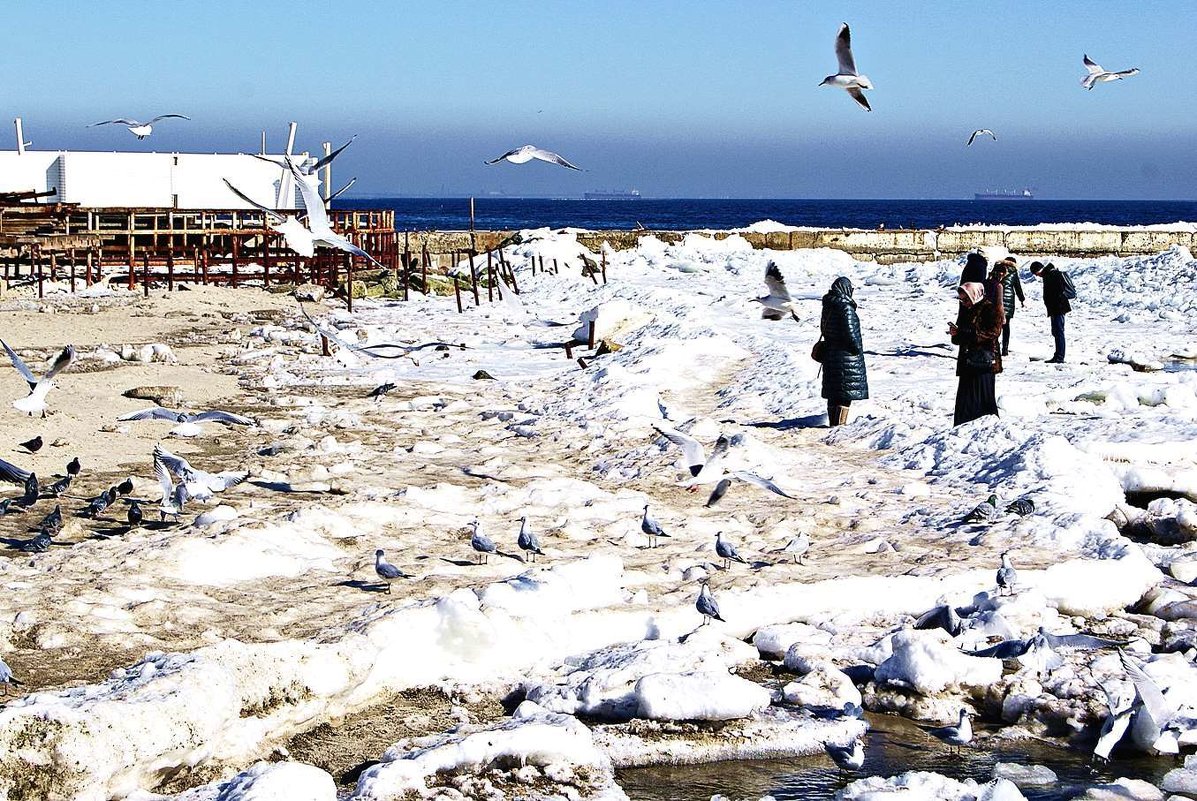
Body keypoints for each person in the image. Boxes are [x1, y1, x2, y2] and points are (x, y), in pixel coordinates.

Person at [949, 282, 1004, 426]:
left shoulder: (989, 308)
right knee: (965, 401)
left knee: (983, 400)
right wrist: (956, 334)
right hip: (967, 362)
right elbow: (960, 337)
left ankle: (987, 430)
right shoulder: (966, 310)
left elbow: (993, 332)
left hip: (983, 362)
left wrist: (966, 333)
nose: (964, 303)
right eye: (961, 300)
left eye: (966, 299)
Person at [819, 276, 868, 426]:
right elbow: (851, 334)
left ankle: (833, 423)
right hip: (847, 357)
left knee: (834, 392)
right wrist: (857, 349)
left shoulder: (828, 306)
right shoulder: (845, 307)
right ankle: (839, 426)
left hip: (831, 354)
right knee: (845, 394)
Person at [1029, 261, 1072, 363]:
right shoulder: (1049, 274)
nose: (1037, 276)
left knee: (1059, 332)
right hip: (1056, 308)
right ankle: (1058, 355)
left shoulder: (1051, 275)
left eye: (1036, 274)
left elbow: (1058, 292)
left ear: (1038, 271)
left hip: (1058, 308)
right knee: (1056, 332)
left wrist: (1054, 303)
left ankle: (1060, 356)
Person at [991, 257, 1025, 356]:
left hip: (996, 299)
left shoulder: (996, 269)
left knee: (995, 325)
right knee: (1006, 326)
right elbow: (1017, 287)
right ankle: (1005, 349)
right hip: (1009, 301)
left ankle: (994, 347)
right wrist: (1022, 299)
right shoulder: (1013, 272)